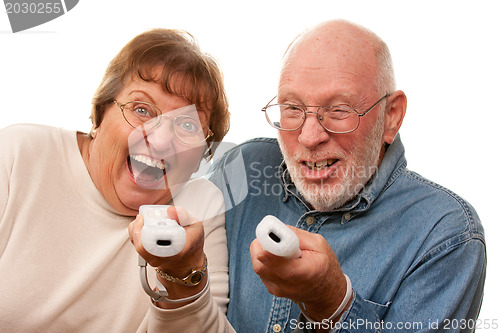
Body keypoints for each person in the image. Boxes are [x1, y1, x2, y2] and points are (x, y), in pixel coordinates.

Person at [207, 20, 486, 332]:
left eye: (339, 110)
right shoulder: (242, 169)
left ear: (391, 115)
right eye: (292, 108)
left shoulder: (446, 233)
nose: (309, 137)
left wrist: (332, 302)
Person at [0, 28, 230, 332]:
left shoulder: (200, 206)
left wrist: (183, 276)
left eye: (187, 125)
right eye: (142, 110)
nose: (160, 141)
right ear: (101, 112)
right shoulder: (20, 154)